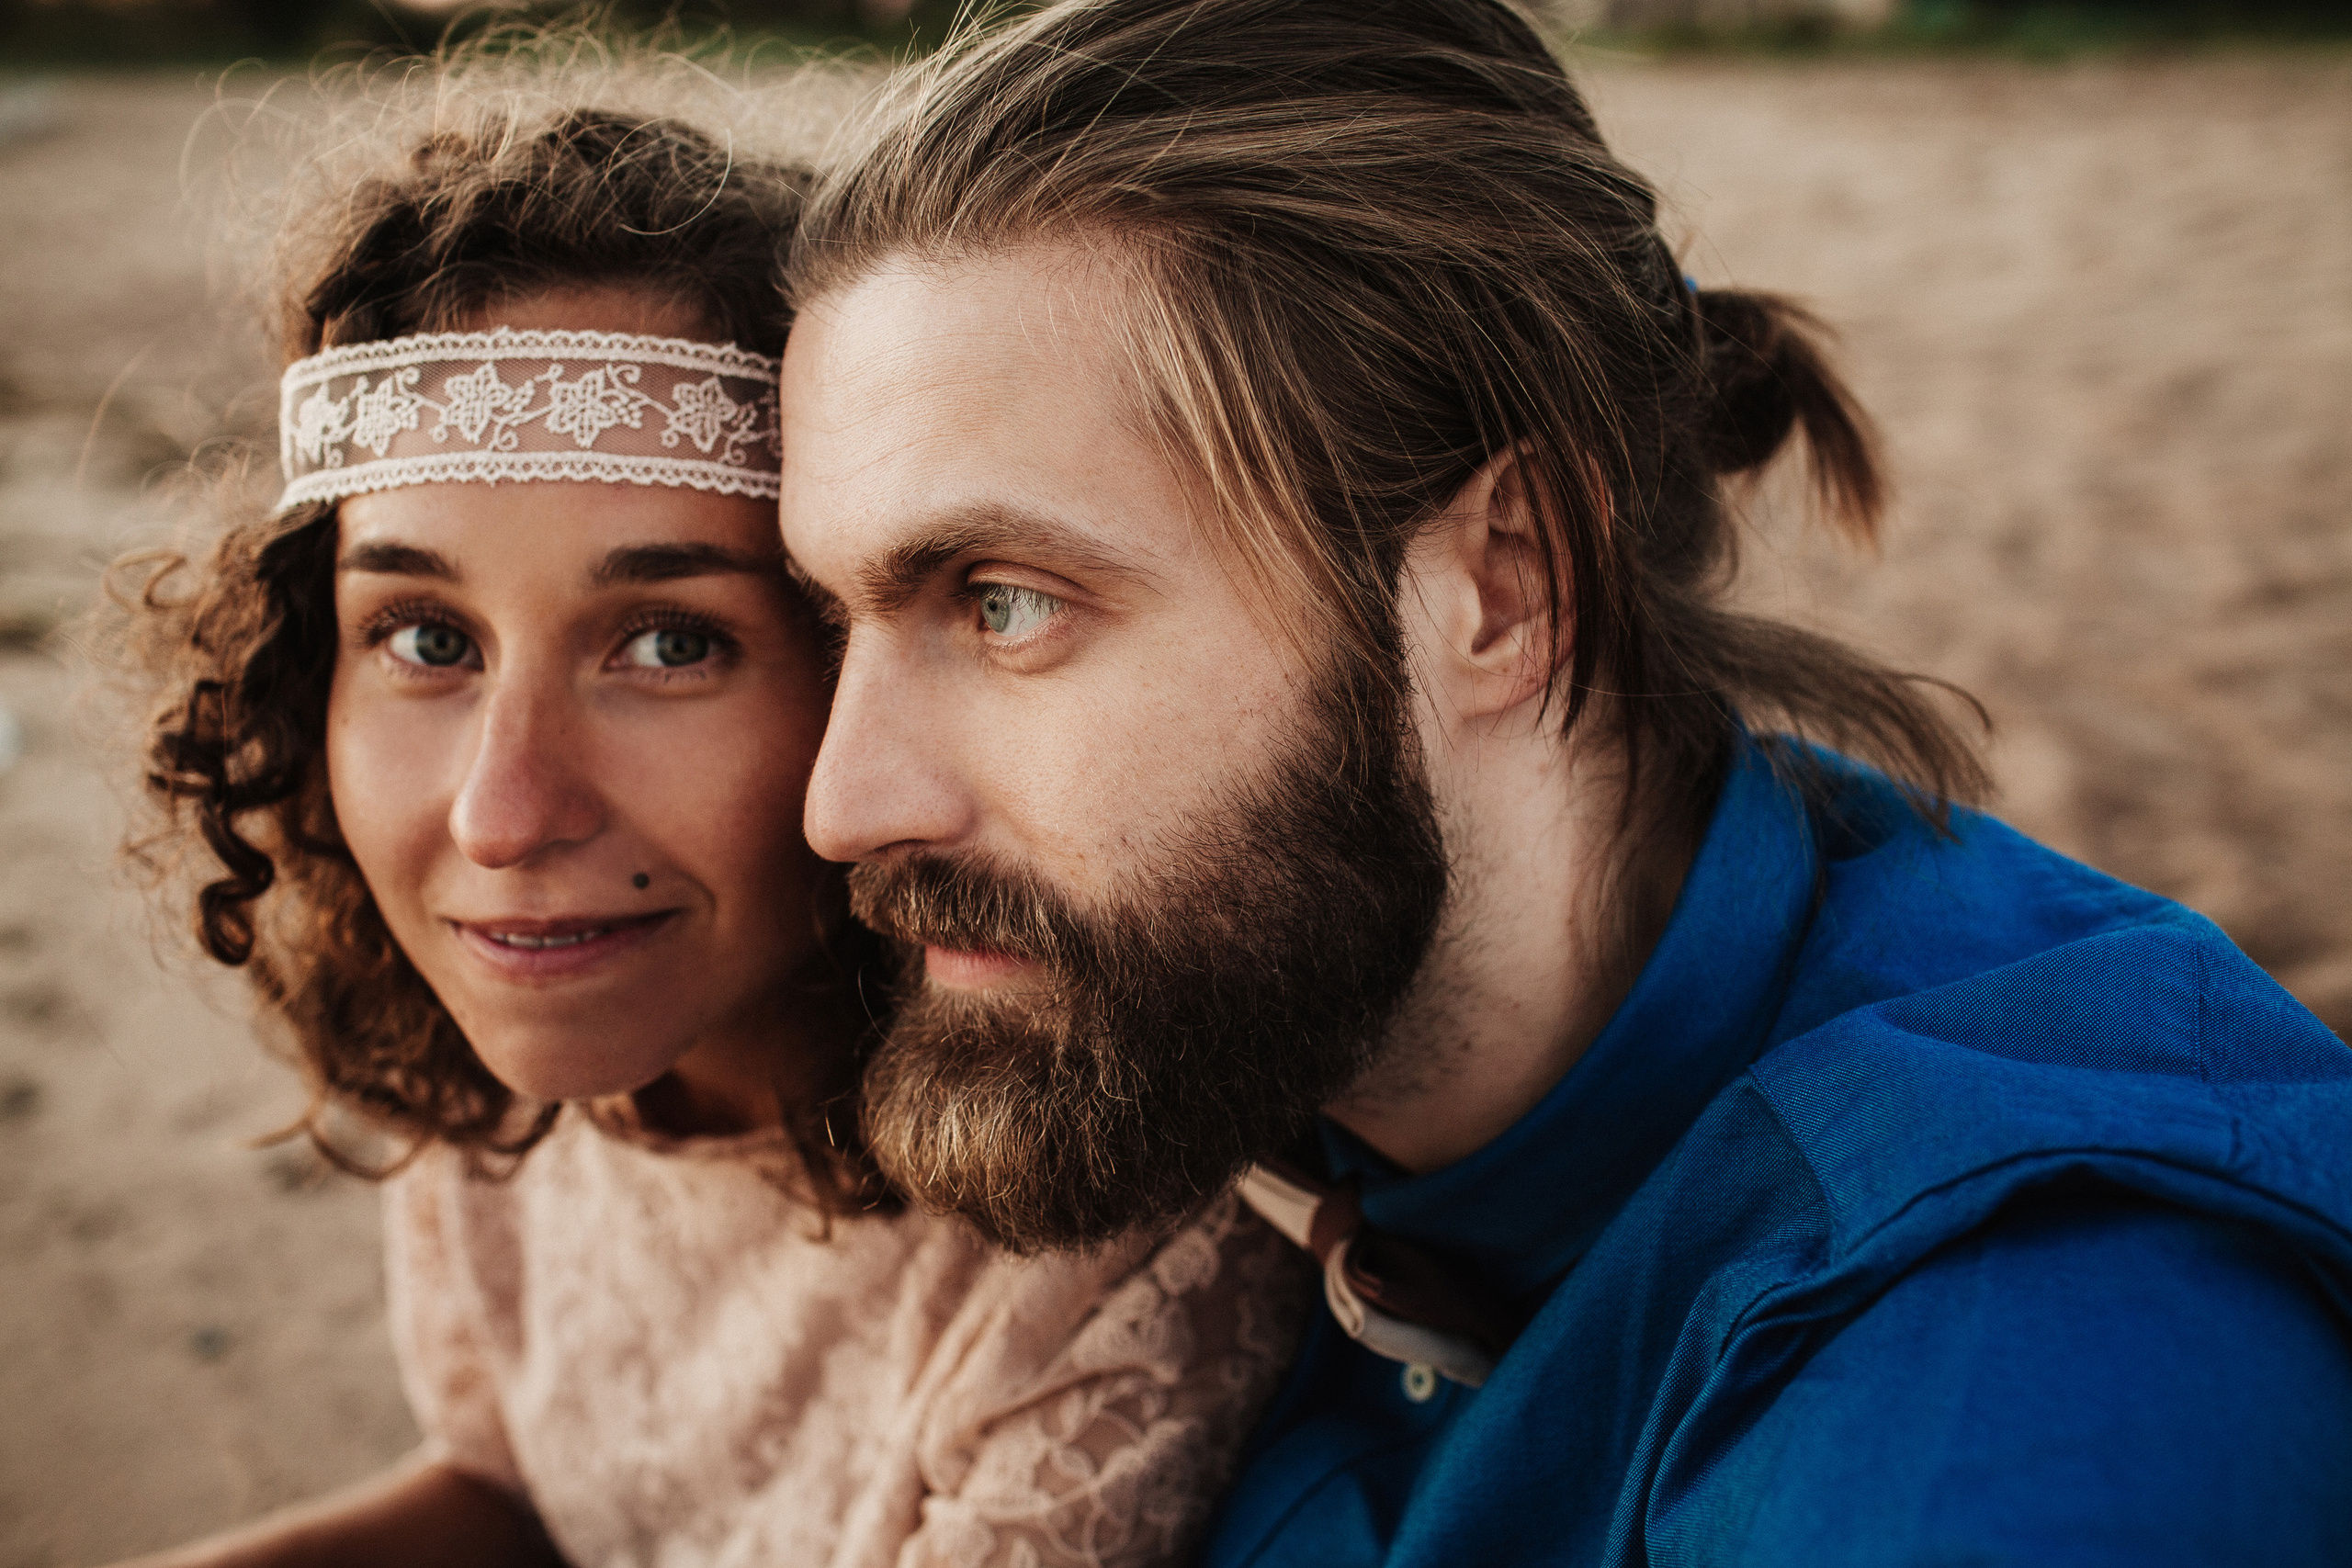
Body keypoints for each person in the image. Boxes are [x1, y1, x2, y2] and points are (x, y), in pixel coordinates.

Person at [772, 0, 2352, 1562]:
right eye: (833, 619)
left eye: (1005, 603)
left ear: (1506, 585)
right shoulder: (1242, 1034)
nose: (844, 803)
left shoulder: (1997, 1378)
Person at [114, 77, 1306, 1568]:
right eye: (426, 638)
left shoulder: (1103, 1235)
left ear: (863, 669)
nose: (501, 817)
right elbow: (511, 1495)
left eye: (668, 643)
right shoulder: (512, 1061)